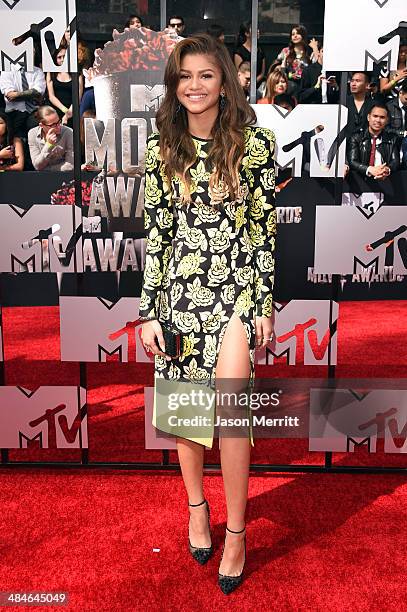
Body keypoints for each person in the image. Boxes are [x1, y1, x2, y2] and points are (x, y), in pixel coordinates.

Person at [139, 33, 276, 595]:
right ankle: (198, 508)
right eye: (184, 76)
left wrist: (262, 300)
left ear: (225, 81)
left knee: (231, 409)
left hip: (237, 293)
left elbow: (262, 231)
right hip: (177, 296)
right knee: (189, 414)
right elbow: (156, 235)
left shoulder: (256, 144)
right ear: (174, 85)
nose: (194, 86)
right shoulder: (161, 148)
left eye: (206, 75)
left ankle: (238, 532)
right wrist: (149, 310)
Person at [347, 103, 400, 179]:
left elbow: (395, 162)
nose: (378, 120)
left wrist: (386, 170)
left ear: (387, 120)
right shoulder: (356, 137)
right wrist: (369, 169)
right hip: (361, 182)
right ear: (368, 117)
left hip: (385, 182)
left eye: (382, 117)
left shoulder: (392, 139)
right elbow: (352, 161)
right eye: (375, 116)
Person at [0, 66, 46, 138]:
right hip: (14, 113)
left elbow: (38, 92)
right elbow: (9, 95)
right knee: (15, 139)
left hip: (33, 112)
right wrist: (31, 95)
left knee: (36, 136)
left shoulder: (37, 71)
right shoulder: (7, 70)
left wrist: (16, 94)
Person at [46, 47, 84, 128]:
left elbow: (78, 97)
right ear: (55, 59)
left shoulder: (78, 74)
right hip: (56, 109)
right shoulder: (51, 73)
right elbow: (51, 96)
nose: (63, 59)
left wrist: (68, 114)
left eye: (65, 57)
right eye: (59, 57)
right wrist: (65, 111)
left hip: (73, 109)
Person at [28, 105, 74, 171]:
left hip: (64, 176)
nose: (58, 126)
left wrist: (46, 170)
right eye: (53, 125)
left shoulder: (68, 132)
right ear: (41, 125)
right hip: (42, 178)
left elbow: (70, 166)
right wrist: (48, 145)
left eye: (58, 122)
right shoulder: (32, 133)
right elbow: (37, 166)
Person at [276, 24, 314, 95]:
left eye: (298, 33)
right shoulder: (286, 51)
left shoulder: (310, 52)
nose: (295, 36)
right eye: (293, 34)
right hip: (289, 86)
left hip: (305, 86)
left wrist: (315, 49)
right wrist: (290, 75)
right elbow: (279, 70)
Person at [233, 22, 266, 86]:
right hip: (244, 84)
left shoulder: (260, 49)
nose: (258, 31)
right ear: (247, 33)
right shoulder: (239, 51)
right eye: (254, 29)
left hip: (258, 84)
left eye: (257, 29)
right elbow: (239, 73)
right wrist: (248, 82)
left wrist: (253, 82)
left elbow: (262, 73)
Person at [346, 72, 374, 136]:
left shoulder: (374, 105)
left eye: (357, 81)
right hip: (346, 142)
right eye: (352, 81)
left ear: (367, 85)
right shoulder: (343, 102)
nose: (353, 84)